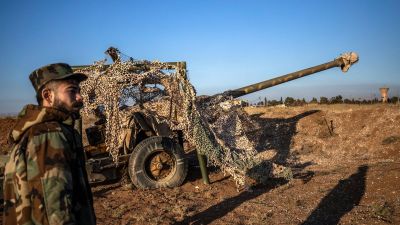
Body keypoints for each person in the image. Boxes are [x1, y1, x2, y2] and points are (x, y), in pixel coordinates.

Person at [3, 63, 96, 225]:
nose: (80, 97)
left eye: (79, 91)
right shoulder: (49, 134)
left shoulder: (33, 131)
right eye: (72, 91)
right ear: (48, 96)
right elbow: (56, 208)